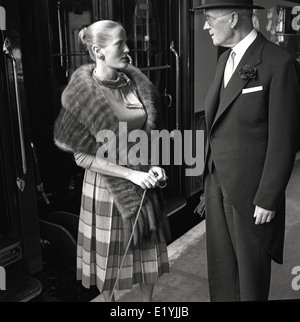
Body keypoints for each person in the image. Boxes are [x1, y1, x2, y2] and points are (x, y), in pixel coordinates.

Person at [53, 20, 170, 302]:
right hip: (106, 188)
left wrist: (153, 165)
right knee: (110, 266)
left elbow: (146, 134)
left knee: (147, 257)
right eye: (120, 43)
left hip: (142, 179)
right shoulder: (81, 95)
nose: (128, 49)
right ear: (98, 51)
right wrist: (130, 175)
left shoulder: (134, 84)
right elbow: (81, 156)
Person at [194, 0, 300, 301]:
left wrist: (268, 198)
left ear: (231, 19)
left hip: (252, 194)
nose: (205, 26)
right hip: (216, 184)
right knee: (222, 272)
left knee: (250, 281)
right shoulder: (224, 60)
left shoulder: (278, 63)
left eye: (209, 19)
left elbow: (285, 138)